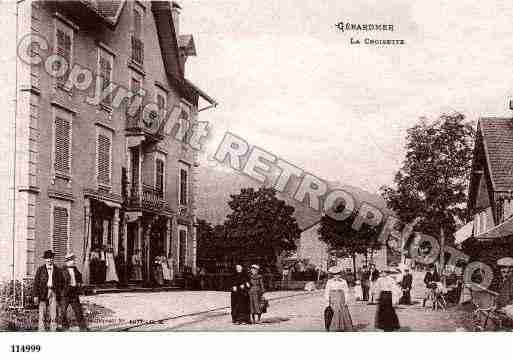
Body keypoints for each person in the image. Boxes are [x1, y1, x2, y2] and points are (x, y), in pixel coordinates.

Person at [33, 250, 63, 331]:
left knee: (53, 312)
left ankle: (53, 329)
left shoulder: (57, 270)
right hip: (42, 292)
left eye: (51, 258)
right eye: (47, 258)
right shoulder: (40, 270)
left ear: (53, 259)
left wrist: (59, 293)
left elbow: (61, 282)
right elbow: (36, 283)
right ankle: (41, 329)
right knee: (42, 312)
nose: (49, 260)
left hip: (53, 292)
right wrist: (35, 295)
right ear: (45, 259)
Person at [60, 253, 88, 331]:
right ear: (67, 261)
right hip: (65, 294)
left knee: (78, 311)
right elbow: (59, 282)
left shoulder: (75, 269)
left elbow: (79, 276)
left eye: (73, 260)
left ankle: (83, 327)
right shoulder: (62, 270)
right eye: (72, 260)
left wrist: (79, 283)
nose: (74, 261)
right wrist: (61, 291)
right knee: (62, 311)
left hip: (74, 293)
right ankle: (65, 326)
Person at [324, 266, 353, 331]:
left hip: (341, 297)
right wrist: (327, 301)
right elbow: (327, 291)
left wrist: (346, 300)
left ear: (340, 274)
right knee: (334, 311)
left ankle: (343, 326)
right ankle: (334, 326)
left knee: (342, 311)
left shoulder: (343, 281)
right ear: (333, 275)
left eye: (338, 274)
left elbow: (346, 291)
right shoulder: (329, 281)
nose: (336, 276)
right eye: (335, 274)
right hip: (333, 298)